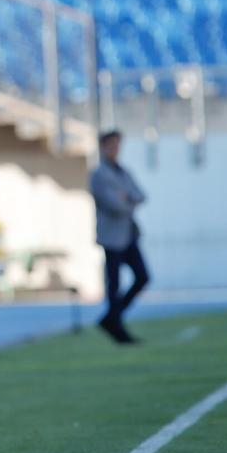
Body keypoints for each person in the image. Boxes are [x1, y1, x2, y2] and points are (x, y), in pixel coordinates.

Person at [90, 130, 150, 344]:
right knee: (113, 284)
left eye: (117, 145)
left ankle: (111, 318)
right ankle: (116, 326)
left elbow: (140, 195)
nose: (115, 149)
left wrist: (126, 198)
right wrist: (127, 200)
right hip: (112, 237)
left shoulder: (123, 172)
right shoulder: (99, 174)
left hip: (128, 234)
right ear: (103, 147)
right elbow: (113, 205)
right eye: (111, 145)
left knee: (142, 276)